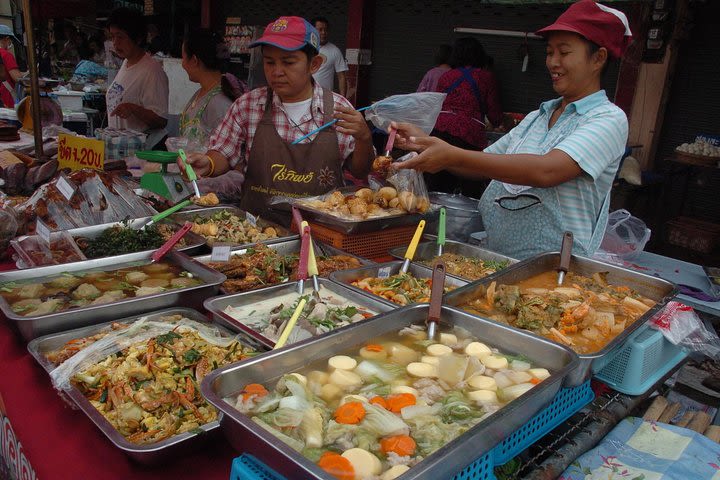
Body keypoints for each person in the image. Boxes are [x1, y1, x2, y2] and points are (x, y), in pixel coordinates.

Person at [392, 0, 632, 260]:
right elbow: (481, 164)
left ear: (598, 58)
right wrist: (427, 143)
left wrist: (450, 154)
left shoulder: (608, 119)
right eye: (550, 52)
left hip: (555, 270)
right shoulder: (536, 118)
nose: (552, 62)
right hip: (500, 258)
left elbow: (547, 170)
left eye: (564, 52)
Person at [180, 16, 373, 221]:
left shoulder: (338, 110)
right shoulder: (248, 105)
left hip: (321, 236)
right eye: (269, 62)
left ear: (314, 64)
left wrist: (364, 138)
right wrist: (207, 162)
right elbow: (223, 153)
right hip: (258, 236)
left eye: (288, 62)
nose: (276, 71)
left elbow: (360, 170)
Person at [105, 8, 168, 132]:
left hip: (143, 149)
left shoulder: (152, 70)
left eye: (121, 37)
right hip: (119, 146)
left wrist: (133, 109)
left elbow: (161, 120)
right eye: (112, 37)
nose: (115, 43)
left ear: (138, 39)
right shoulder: (126, 63)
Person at [180, 28, 244, 146]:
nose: (182, 64)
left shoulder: (220, 103)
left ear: (194, 60)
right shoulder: (201, 93)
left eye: (183, 58)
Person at [311, 17, 348, 96]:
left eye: (326, 30)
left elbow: (341, 77)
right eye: (320, 30)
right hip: (305, 96)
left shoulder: (335, 51)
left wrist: (343, 99)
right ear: (313, 31)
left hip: (325, 97)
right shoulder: (305, 49)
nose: (324, 33)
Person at [0, 25, 23, 107]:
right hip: (5, 99)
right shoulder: (6, 55)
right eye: (11, 40)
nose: (11, 43)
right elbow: (17, 78)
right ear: (6, 39)